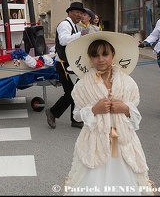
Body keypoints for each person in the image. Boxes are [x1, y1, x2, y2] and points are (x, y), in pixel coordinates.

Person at [62, 31, 154, 195]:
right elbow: (76, 115)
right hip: (95, 142)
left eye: (105, 54)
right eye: (95, 55)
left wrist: (125, 109)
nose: (101, 59)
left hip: (123, 142)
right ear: (90, 58)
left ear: (113, 55)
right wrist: (93, 110)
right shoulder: (83, 85)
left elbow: (136, 115)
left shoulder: (127, 82)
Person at [45, 1, 87, 129]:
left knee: (76, 91)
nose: (79, 15)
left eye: (81, 13)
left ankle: (75, 119)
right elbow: (63, 40)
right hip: (63, 63)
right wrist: (80, 34)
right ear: (70, 12)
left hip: (70, 63)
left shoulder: (74, 26)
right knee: (71, 93)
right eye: (77, 12)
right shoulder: (65, 24)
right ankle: (52, 112)